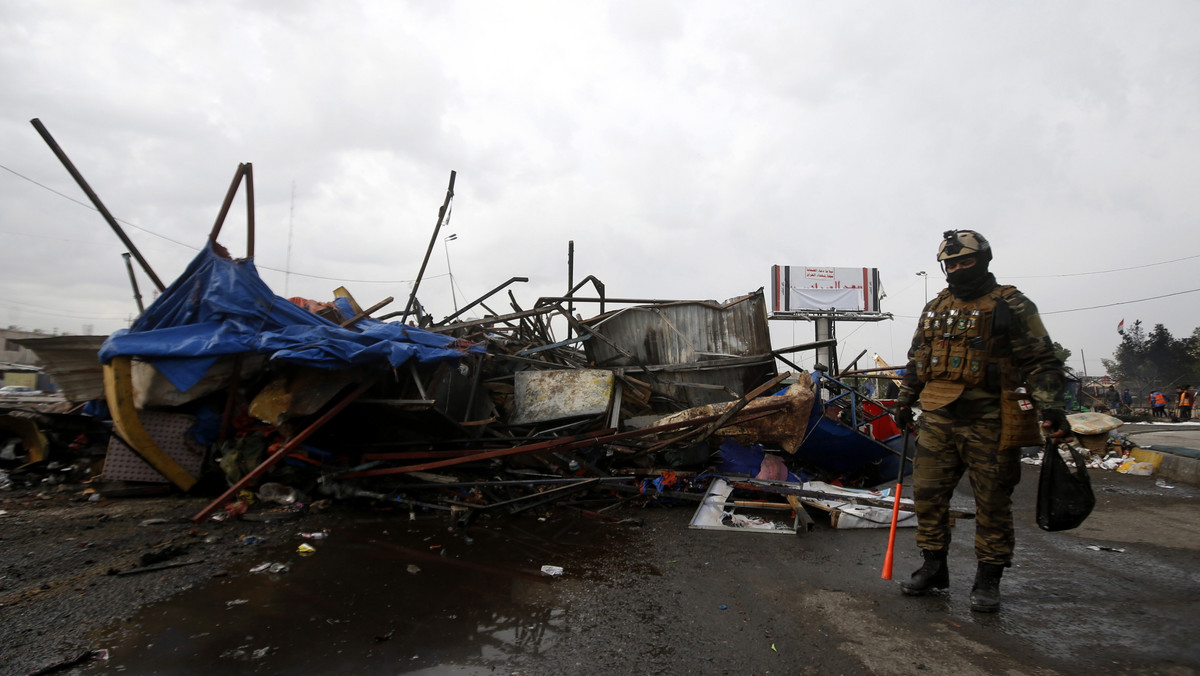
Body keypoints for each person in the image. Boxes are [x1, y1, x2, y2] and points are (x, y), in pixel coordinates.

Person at [892, 230, 1068, 613]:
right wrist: (905, 400)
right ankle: (934, 567)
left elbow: (1040, 360)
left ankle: (988, 578)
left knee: (993, 502)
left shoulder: (1012, 305)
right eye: (950, 264)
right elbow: (918, 357)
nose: (956, 269)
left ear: (984, 260)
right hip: (939, 417)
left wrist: (1052, 408)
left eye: (964, 262)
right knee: (927, 496)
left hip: (991, 418)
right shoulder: (936, 307)